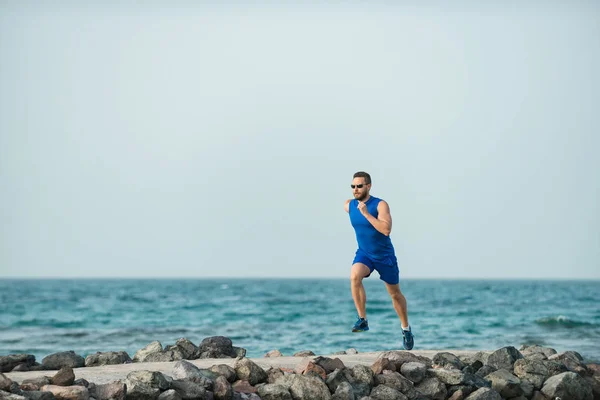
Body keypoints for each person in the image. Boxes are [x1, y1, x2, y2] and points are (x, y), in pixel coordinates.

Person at [344, 171, 414, 350]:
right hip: (364, 254)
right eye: (353, 186)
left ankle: (405, 328)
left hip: (384, 256)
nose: (355, 189)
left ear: (368, 186)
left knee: (395, 294)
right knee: (354, 276)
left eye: (359, 186)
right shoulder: (349, 205)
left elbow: (386, 230)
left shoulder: (380, 205)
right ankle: (363, 320)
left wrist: (367, 214)